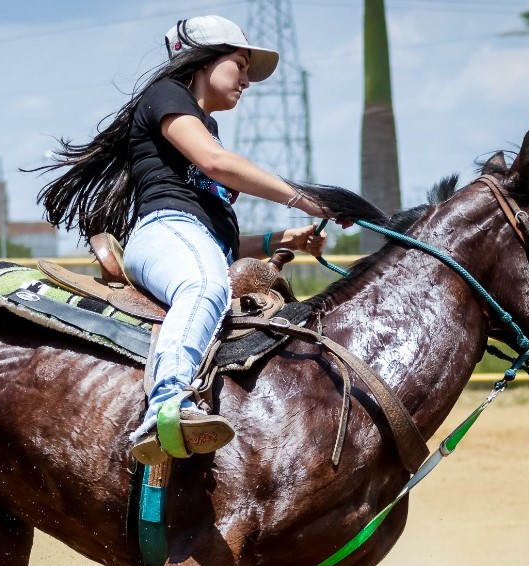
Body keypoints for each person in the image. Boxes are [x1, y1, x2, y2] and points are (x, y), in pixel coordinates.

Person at [35, 15, 335, 465]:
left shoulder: (205, 126)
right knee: (205, 286)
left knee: (211, 276)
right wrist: (302, 197)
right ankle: (166, 408)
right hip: (166, 233)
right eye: (240, 64)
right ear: (201, 60)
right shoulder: (167, 96)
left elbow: (217, 234)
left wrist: (279, 237)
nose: (247, 81)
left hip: (194, 241)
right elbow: (214, 163)